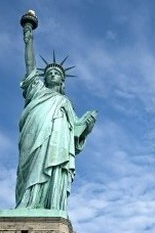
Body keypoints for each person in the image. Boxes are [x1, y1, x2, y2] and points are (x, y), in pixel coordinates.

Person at [16, 22, 97, 211]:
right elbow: (30, 66)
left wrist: (87, 126)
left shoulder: (66, 103)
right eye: (50, 73)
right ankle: (28, 203)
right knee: (32, 169)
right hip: (35, 136)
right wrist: (29, 40)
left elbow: (75, 133)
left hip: (58, 142)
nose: (53, 74)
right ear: (44, 78)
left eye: (57, 73)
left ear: (62, 80)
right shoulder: (37, 91)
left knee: (56, 168)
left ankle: (51, 205)